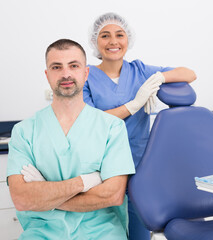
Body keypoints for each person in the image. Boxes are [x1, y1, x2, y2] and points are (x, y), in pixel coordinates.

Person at [7, 39, 135, 239]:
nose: (65, 74)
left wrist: (44, 195)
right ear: (47, 75)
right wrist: (85, 181)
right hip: (43, 233)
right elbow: (22, 199)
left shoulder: (112, 127)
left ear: (85, 73)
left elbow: (113, 195)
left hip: (101, 232)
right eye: (56, 67)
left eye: (73, 66)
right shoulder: (24, 132)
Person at [84, 12, 197, 240]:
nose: (113, 41)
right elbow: (92, 123)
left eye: (119, 34)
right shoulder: (86, 75)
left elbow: (189, 74)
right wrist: (134, 104)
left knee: (140, 228)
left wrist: (159, 79)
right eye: (105, 36)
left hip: (139, 164)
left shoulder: (139, 70)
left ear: (128, 39)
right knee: (106, 229)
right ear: (96, 41)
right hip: (103, 166)